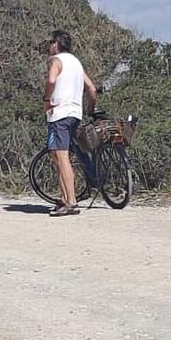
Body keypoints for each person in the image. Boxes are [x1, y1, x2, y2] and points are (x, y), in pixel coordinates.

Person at [43, 28, 99, 217]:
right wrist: (90, 109)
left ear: (57, 44)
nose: (49, 46)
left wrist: (46, 99)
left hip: (60, 113)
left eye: (51, 42)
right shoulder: (76, 63)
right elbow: (92, 88)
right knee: (57, 156)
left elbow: (51, 81)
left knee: (62, 156)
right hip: (75, 113)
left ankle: (72, 202)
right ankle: (65, 198)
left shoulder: (55, 61)